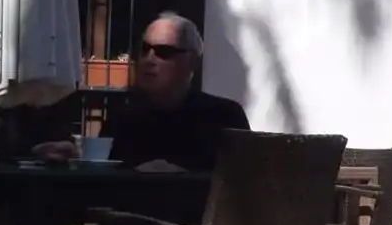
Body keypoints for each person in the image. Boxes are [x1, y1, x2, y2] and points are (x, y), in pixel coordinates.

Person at [35, 13, 248, 173]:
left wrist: (181, 176)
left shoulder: (223, 116)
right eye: (144, 49)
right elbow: (105, 179)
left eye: (164, 52)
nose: (149, 59)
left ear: (192, 62)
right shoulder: (125, 117)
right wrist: (75, 159)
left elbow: (245, 185)